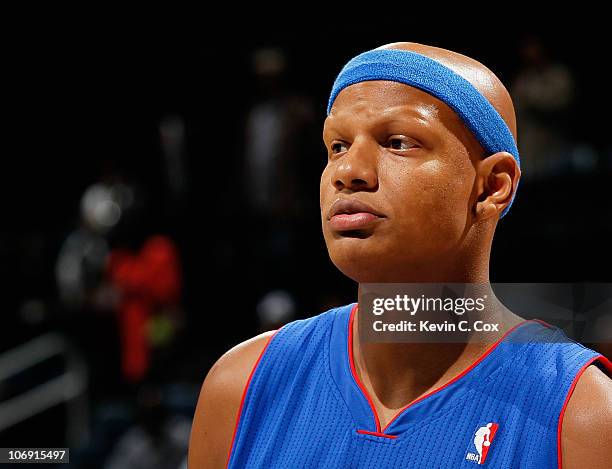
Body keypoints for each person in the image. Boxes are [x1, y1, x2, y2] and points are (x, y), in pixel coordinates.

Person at [188, 42, 612, 468]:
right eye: (337, 146)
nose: (348, 171)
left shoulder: (582, 416)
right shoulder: (241, 385)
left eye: (397, 142)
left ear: (492, 186)